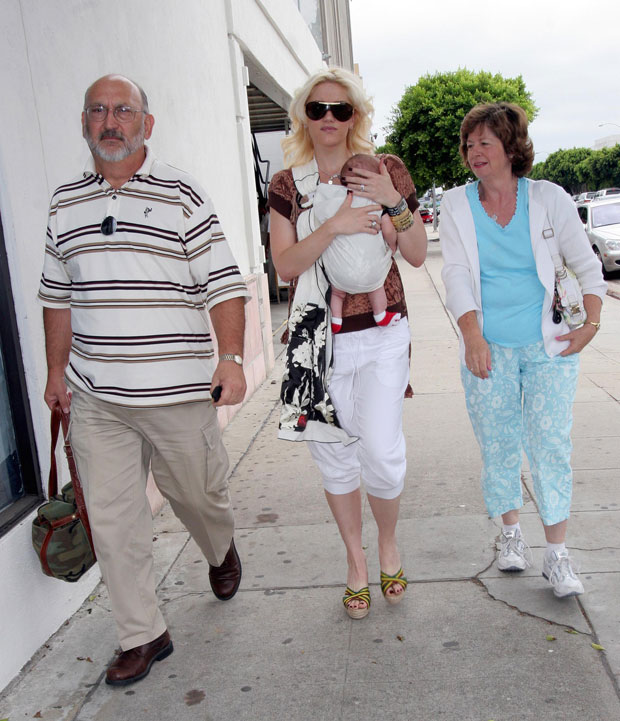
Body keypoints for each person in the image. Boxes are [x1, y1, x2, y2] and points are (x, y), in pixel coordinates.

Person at [38, 75, 249, 685]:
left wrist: (230, 357)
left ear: (145, 125)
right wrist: (56, 371)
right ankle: (144, 634)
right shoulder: (63, 203)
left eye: (123, 110)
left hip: (179, 392)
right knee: (112, 519)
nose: (111, 121)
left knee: (197, 496)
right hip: (98, 395)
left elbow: (225, 283)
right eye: (99, 111)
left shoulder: (183, 195)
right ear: (84, 123)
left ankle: (219, 547)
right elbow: (57, 296)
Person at [268, 67, 427, 618]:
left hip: (384, 334)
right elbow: (285, 265)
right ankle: (356, 563)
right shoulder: (289, 183)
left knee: (382, 453)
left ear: (356, 115)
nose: (329, 119)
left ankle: (388, 543)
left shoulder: (386, 169)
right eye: (318, 109)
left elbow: (416, 253)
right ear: (303, 118)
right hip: (319, 337)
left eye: (341, 109)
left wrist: (391, 199)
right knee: (335, 457)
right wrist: (332, 226)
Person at [440, 102, 607, 598]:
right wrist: (471, 335)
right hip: (488, 345)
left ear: (511, 148)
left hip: (549, 344)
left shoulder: (549, 198)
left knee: (551, 445)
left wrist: (591, 323)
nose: (474, 152)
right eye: (469, 144)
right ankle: (511, 534)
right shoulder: (455, 204)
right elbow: (455, 275)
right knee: (498, 443)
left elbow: (588, 266)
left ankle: (557, 555)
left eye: (485, 143)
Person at [313, 153, 400, 333]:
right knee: (376, 287)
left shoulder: (337, 201)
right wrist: (392, 246)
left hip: (340, 275)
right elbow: (389, 229)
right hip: (371, 271)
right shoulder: (376, 202)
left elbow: (318, 213)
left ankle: (336, 320)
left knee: (337, 293)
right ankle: (381, 314)